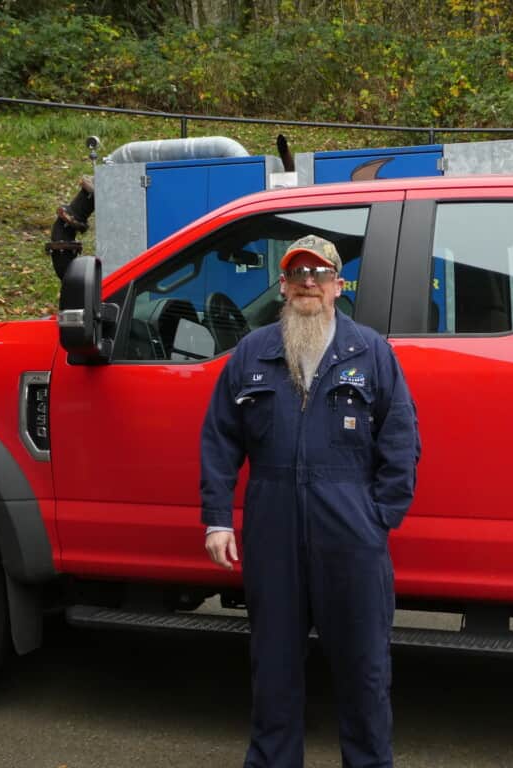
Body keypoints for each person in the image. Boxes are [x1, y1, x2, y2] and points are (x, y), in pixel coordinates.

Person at [200, 234, 421, 768]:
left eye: (319, 275)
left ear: (337, 286)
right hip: (272, 526)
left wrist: (377, 518)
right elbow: (220, 438)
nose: (308, 284)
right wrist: (217, 521)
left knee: (365, 671)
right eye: (297, 274)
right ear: (282, 285)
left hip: (351, 531)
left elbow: (401, 439)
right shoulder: (253, 354)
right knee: (273, 669)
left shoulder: (370, 352)